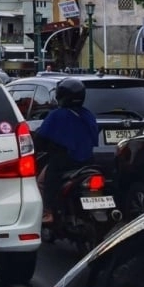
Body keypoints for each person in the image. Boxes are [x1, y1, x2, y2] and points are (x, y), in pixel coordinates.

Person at [33, 77, 98, 223]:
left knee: (43, 182)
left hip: (64, 161)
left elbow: (41, 138)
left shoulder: (57, 115)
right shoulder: (88, 114)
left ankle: (47, 212)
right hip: (88, 160)